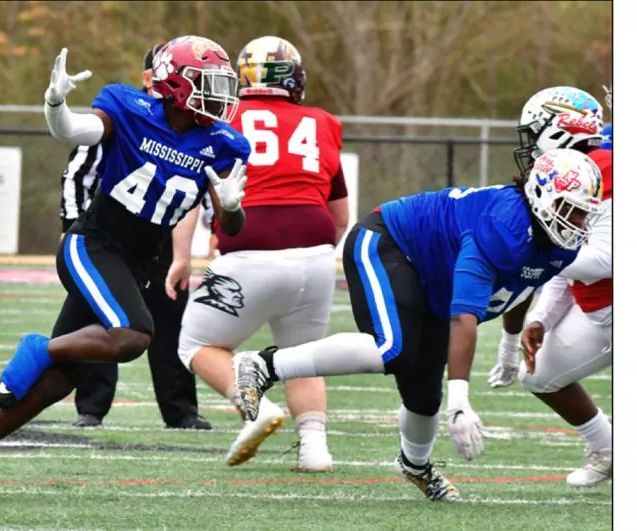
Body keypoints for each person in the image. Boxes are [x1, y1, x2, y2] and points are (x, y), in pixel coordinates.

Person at [0, 35, 251, 501]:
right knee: (133, 334)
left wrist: (231, 207)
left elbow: (231, 225)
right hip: (93, 244)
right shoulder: (130, 107)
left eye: (223, 84)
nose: (219, 95)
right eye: (207, 82)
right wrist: (55, 104)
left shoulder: (223, 142)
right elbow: (74, 130)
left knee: (57, 383)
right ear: (174, 82)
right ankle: (41, 347)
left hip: (138, 262)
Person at [230, 145, 604, 501]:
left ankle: (415, 465)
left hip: (435, 277)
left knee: (424, 395)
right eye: (570, 209)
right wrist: (460, 400)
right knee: (391, 349)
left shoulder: (562, 242)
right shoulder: (502, 226)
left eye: (583, 212)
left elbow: (521, 284)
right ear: (540, 195)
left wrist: (509, 346)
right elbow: (463, 316)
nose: (578, 221)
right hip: (390, 242)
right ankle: (264, 364)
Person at [174, 36, 348, 471]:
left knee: (196, 345)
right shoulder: (323, 122)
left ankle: (255, 406)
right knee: (303, 354)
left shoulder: (221, 118)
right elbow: (340, 216)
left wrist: (182, 257)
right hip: (316, 252)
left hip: (249, 251)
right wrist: (313, 252)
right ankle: (315, 450)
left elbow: (190, 197)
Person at [59, 43, 212, 431]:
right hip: (107, 239)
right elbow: (78, 173)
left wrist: (187, 253)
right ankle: (91, 405)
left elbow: (199, 194)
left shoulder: (198, 129)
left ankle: (180, 410)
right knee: (102, 319)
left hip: (158, 242)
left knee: (169, 323)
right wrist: (70, 226)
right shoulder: (125, 113)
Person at [487, 86, 611, 487]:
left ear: (558, 131)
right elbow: (561, 255)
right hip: (599, 310)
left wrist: (535, 254)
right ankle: (609, 449)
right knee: (538, 373)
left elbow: (607, 260)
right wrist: (540, 317)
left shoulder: (608, 169)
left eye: (533, 133)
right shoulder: (571, 173)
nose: (529, 144)